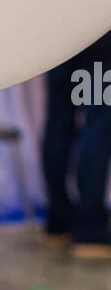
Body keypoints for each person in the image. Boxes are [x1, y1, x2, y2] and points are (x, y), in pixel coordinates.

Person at [41, 30, 111, 259]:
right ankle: (90, 228)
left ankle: (59, 222)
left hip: (58, 33)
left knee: (58, 122)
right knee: (98, 125)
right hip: (99, 33)